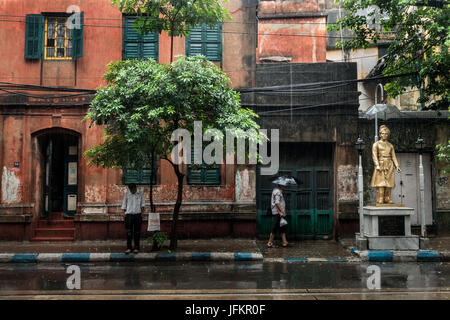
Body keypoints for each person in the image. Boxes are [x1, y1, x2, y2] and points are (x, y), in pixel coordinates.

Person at [370, 125, 401, 204]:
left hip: (389, 163)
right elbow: (374, 155)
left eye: (386, 134)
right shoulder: (376, 144)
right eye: (383, 133)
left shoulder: (390, 145)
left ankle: (388, 198)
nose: (384, 135)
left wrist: (397, 166)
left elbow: (393, 156)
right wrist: (377, 165)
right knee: (381, 182)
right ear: (380, 134)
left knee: (389, 182)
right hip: (381, 163)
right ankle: (380, 198)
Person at [121, 183, 146, 254]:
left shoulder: (140, 193)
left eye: (133, 189)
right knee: (129, 232)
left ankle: (136, 248)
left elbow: (143, 205)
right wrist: (124, 215)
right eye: (130, 190)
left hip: (138, 215)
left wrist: (142, 215)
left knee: (137, 232)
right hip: (128, 215)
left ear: (135, 188)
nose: (132, 191)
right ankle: (129, 248)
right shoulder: (127, 194)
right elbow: (124, 205)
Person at [267, 183, 288, 248]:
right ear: (281, 185)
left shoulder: (278, 191)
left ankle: (284, 242)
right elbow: (277, 202)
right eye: (284, 185)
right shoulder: (277, 192)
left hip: (279, 212)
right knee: (275, 227)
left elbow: (278, 201)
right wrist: (281, 211)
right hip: (278, 213)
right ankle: (270, 242)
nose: (285, 186)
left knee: (282, 227)